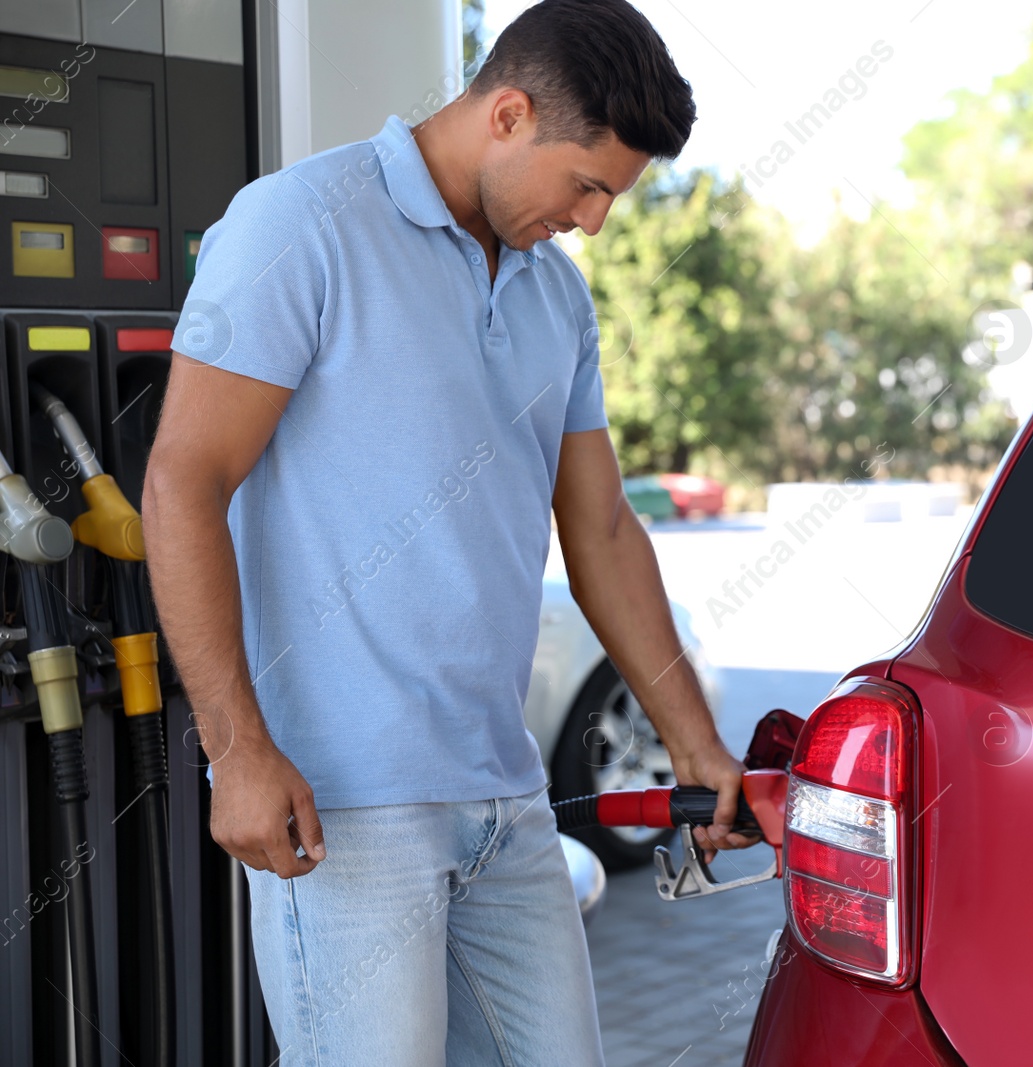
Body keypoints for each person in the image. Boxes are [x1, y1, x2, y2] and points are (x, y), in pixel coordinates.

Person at [143, 2, 756, 1063]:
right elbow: (182, 482)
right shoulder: (301, 224)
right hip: (341, 807)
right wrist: (237, 750)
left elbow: (602, 528)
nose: (596, 220)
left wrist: (700, 747)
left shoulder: (554, 296)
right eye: (588, 185)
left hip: (502, 796)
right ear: (507, 113)